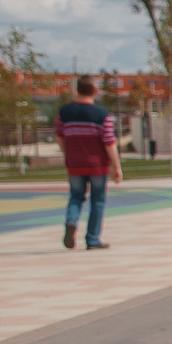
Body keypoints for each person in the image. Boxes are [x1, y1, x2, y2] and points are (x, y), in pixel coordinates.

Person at [56, 75, 122, 250]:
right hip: (97, 165)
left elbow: (59, 135)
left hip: (74, 163)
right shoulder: (102, 114)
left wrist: (68, 153)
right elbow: (109, 141)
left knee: (76, 197)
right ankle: (92, 239)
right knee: (97, 200)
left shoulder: (64, 112)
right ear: (95, 91)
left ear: (77, 90)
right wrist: (117, 166)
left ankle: (71, 221)